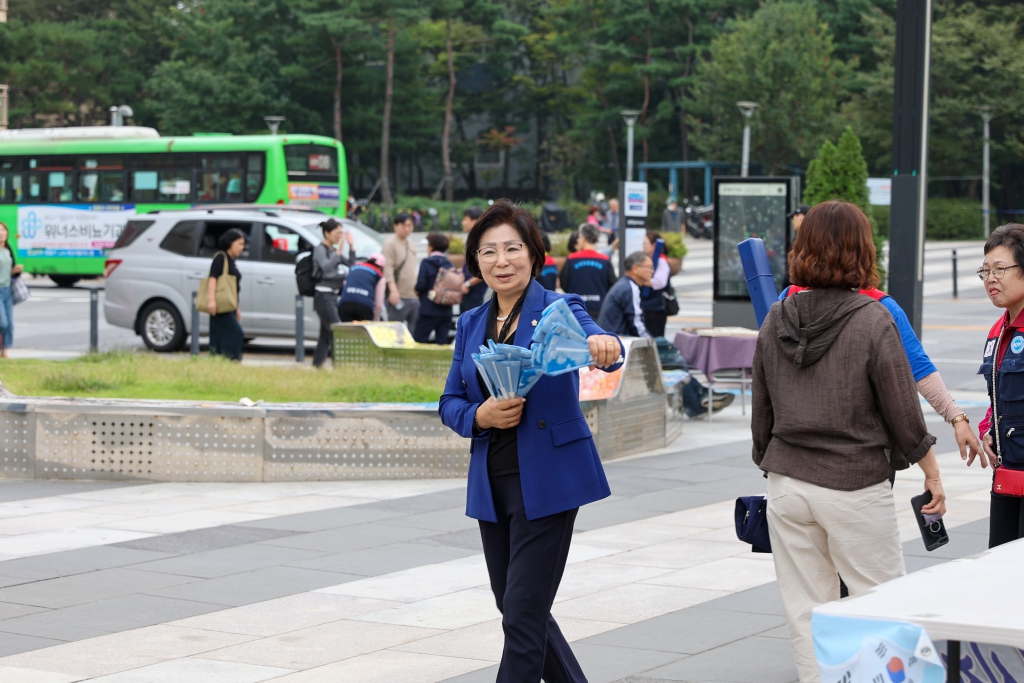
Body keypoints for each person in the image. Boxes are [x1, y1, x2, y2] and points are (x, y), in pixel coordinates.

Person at [751, 200, 945, 683]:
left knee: (806, 610)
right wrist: (929, 471)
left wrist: (771, 463)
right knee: (881, 605)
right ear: (861, 250)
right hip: (854, 482)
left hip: (788, 483)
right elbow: (904, 411)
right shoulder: (872, 319)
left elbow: (761, 411)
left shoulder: (776, 318)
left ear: (803, 249)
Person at [439, 199, 623, 683]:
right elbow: (448, 403)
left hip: (549, 480)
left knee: (522, 614)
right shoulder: (470, 324)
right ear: (476, 261)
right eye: (489, 251)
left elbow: (602, 344)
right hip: (492, 484)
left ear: (534, 253)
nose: (502, 261)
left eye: (512, 249)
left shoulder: (560, 309)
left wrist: (606, 347)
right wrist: (480, 413)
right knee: (519, 609)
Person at [976, 223, 1024, 548]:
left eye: (1000, 269)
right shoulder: (998, 329)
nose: (991, 279)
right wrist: (986, 428)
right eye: (986, 271)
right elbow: (1000, 395)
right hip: (1007, 479)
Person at [311, 219, 356, 368]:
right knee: (336, 331)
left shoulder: (332, 251)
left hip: (331, 296)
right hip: (323, 296)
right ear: (327, 233)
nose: (339, 237)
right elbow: (327, 269)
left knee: (326, 334)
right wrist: (337, 252)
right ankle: (339, 367)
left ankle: (317, 365)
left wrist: (351, 246)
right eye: (337, 233)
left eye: (341, 233)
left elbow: (351, 265)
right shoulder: (320, 249)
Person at [559, 223, 616, 319]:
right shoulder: (605, 260)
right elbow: (613, 284)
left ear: (583, 237)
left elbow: (564, 284)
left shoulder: (571, 259)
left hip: (576, 309)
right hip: (600, 309)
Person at [206, 228, 247, 361]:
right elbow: (212, 279)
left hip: (229, 305)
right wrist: (211, 300)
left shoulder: (231, 260)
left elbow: (233, 288)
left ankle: (217, 361)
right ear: (230, 242)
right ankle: (232, 359)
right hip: (220, 305)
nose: (242, 247)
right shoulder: (221, 257)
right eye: (239, 244)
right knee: (236, 332)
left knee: (217, 335)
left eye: (243, 244)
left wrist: (237, 307)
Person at [597, 251, 653, 338]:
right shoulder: (630, 288)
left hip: (609, 338)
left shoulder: (624, 284)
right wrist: (652, 343)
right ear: (635, 269)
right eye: (649, 267)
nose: (652, 271)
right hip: (617, 340)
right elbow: (637, 324)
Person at [413, 233, 455, 345]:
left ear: (431, 247)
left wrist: (416, 290)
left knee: (419, 342)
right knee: (441, 343)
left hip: (428, 310)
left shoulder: (426, 263)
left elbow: (420, 286)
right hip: (446, 310)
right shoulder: (449, 264)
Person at [383, 212, 419, 330]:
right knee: (395, 330)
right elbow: (387, 268)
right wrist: (393, 291)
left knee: (412, 332)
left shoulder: (410, 243)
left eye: (410, 225)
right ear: (396, 226)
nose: (407, 229)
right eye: (404, 225)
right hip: (398, 296)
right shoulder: (390, 244)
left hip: (412, 296)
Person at [640, 231, 671, 337]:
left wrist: (640, 280)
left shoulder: (661, 260)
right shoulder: (652, 260)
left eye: (645, 243)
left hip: (655, 309)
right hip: (648, 308)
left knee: (655, 339)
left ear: (654, 245)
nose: (643, 246)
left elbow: (660, 282)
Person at [338, 253, 387, 322]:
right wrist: (376, 320)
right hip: (365, 307)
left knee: (347, 331)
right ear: (381, 267)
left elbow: (344, 286)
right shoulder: (379, 276)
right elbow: (379, 304)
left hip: (345, 305)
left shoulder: (353, 267)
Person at [0, 222, 23, 358]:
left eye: (3, 230)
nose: (1, 233)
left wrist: (15, 271)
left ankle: (5, 351)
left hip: (8, 290)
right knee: (2, 322)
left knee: (9, 324)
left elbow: (11, 270)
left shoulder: (9, 250)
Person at [460, 206, 489, 310]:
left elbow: (486, 268)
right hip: (467, 292)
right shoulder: (474, 239)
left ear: (475, 221)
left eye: (465, 219)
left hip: (474, 292)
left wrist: (467, 284)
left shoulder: (481, 241)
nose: (463, 222)